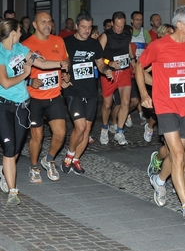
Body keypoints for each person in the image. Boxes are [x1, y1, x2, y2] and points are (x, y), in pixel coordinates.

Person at [135, 5, 185, 225]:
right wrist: (143, 94)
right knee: (178, 154)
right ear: (180, 25)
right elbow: (139, 66)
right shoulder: (159, 46)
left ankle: (159, 179)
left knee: (182, 152)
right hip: (165, 106)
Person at [0, 18, 68, 205]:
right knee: (9, 148)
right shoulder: (0, 53)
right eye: (20, 31)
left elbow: (41, 63)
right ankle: (13, 191)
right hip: (4, 105)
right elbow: (5, 82)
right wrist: (25, 74)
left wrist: (59, 64)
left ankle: (5, 170)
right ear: (13, 33)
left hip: (22, 105)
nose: (22, 34)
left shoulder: (20, 50)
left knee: (16, 147)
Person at [61, 12, 113, 174]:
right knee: (80, 126)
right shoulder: (66, 42)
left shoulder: (95, 44)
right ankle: (69, 154)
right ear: (77, 26)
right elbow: (61, 62)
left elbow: (100, 64)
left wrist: (106, 70)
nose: (86, 30)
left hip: (90, 91)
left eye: (89, 27)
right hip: (72, 89)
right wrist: (63, 75)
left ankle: (76, 159)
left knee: (87, 129)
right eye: (83, 27)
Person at [22, 11, 70, 184]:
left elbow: (66, 61)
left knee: (60, 133)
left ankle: (48, 160)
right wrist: (30, 80)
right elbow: (17, 72)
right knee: (37, 136)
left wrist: (66, 75)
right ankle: (34, 166)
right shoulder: (26, 45)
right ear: (34, 25)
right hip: (34, 97)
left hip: (54, 95)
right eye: (43, 22)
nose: (47, 25)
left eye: (49, 21)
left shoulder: (58, 41)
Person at [98, 11, 135, 146]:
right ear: (112, 23)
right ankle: (104, 128)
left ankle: (120, 132)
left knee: (125, 102)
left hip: (124, 71)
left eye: (122, 26)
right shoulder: (106, 36)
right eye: (117, 26)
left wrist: (133, 61)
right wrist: (109, 63)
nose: (120, 29)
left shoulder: (126, 34)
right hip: (109, 73)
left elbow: (129, 48)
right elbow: (98, 57)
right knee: (107, 105)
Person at [129, 10, 152, 126]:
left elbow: (150, 48)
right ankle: (125, 113)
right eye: (137, 19)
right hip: (129, 67)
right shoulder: (128, 33)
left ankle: (140, 113)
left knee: (139, 91)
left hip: (142, 66)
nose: (139, 22)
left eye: (141, 20)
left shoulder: (145, 33)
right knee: (131, 94)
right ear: (132, 21)